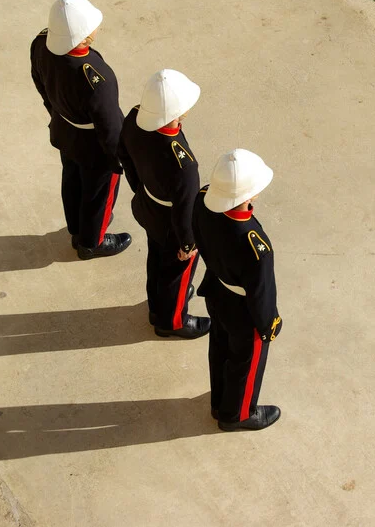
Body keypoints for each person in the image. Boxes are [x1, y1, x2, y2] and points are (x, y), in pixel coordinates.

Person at [30, 0, 131, 260]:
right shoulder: (97, 78)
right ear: (84, 36)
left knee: (72, 179)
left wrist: (56, 113)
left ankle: (76, 226)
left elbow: (40, 82)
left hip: (64, 129)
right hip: (94, 146)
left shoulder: (41, 44)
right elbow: (109, 128)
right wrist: (119, 161)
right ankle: (91, 242)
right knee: (98, 194)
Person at [192, 149, 282, 431]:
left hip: (217, 291)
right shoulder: (256, 246)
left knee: (219, 346)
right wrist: (269, 324)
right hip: (244, 310)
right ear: (248, 196)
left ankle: (219, 400)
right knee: (245, 362)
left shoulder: (202, 201)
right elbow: (261, 293)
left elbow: (197, 234)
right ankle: (237, 414)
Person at [118, 70, 211, 339]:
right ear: (177, 114)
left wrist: (140, 189)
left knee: (156, 259)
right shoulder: (184, 165)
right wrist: (188, 244)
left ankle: (157, 305)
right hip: (172, 224)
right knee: (177, 271)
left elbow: (124, 153)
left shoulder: (135, 118)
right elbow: (184, 209)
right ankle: (171, 320)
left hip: (149, 207)